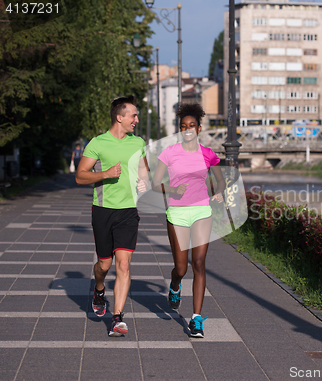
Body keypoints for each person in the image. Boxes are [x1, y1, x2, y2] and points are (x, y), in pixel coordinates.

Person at [75, 95, 148, 337]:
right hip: (103, 211)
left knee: (124, 264)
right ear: (120, 117)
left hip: (128, 211)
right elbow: (80, 176)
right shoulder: (97, 143)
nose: (136, 119)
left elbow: (143, 171)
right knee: (104, 264)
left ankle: (117, 317)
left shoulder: (137, 143)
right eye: (133, 115)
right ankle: (98, 289)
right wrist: (105, 174)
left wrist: (143, 182)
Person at [152, 103, 224, 338]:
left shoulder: (207, 153)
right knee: (181, 268)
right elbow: (156, 183)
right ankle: (175, 284)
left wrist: (219, 191)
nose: (188, 129)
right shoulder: (169, 153)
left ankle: (196, 319)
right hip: (178, 213)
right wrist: (172, 189)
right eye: (183, 126)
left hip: (202, 211)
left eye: (192, 126)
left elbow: (220, 180)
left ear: (199, 128)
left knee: (199, 263)